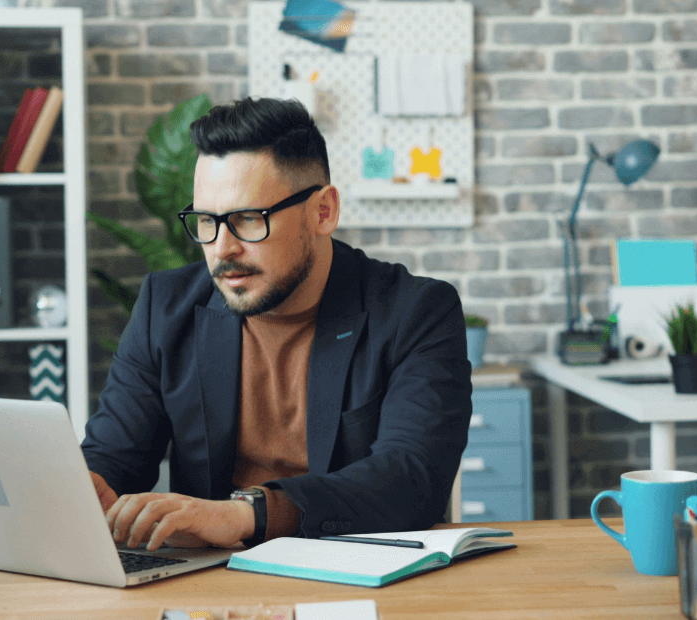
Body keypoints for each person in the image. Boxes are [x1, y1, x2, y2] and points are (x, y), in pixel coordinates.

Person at [80, 97, 472, 552]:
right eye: (207, 221)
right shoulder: (163, 307)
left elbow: (412, 478)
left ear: (323, 211)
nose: (222, 248)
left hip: (362, 570)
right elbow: (115, 457)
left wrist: (246, 515)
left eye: (248, 219)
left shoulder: (415, 311)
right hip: (212, 581)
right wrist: (86, 487)